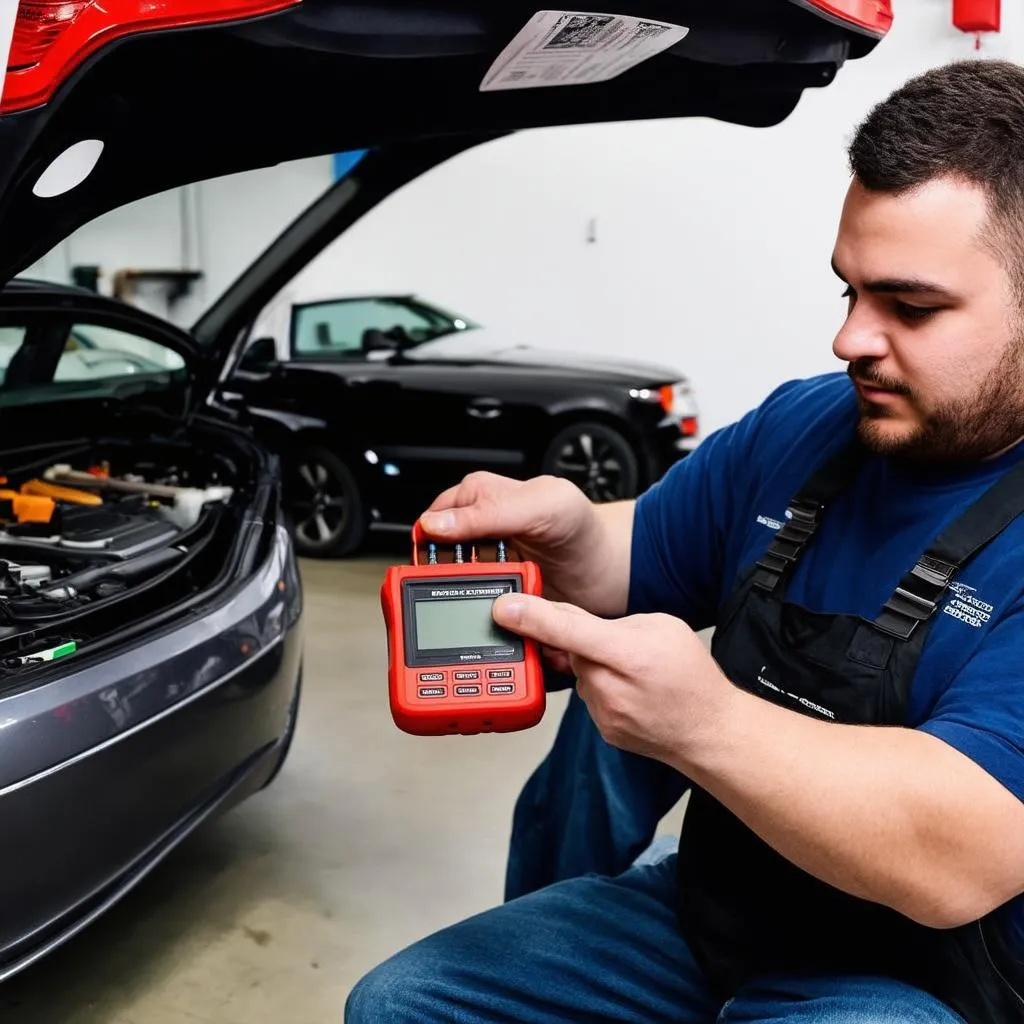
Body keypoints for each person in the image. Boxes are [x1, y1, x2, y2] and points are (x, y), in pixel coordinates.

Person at [346, 58, 1024, 1023]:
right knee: (408, 1003)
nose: (850, 341)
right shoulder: (809, 426)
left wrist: (704, 724)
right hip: (721, 914)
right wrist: (575, 531)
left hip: (917, 976)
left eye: (909, 307)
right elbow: (641, 555)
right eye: (849, 293)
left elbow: (952, 860)